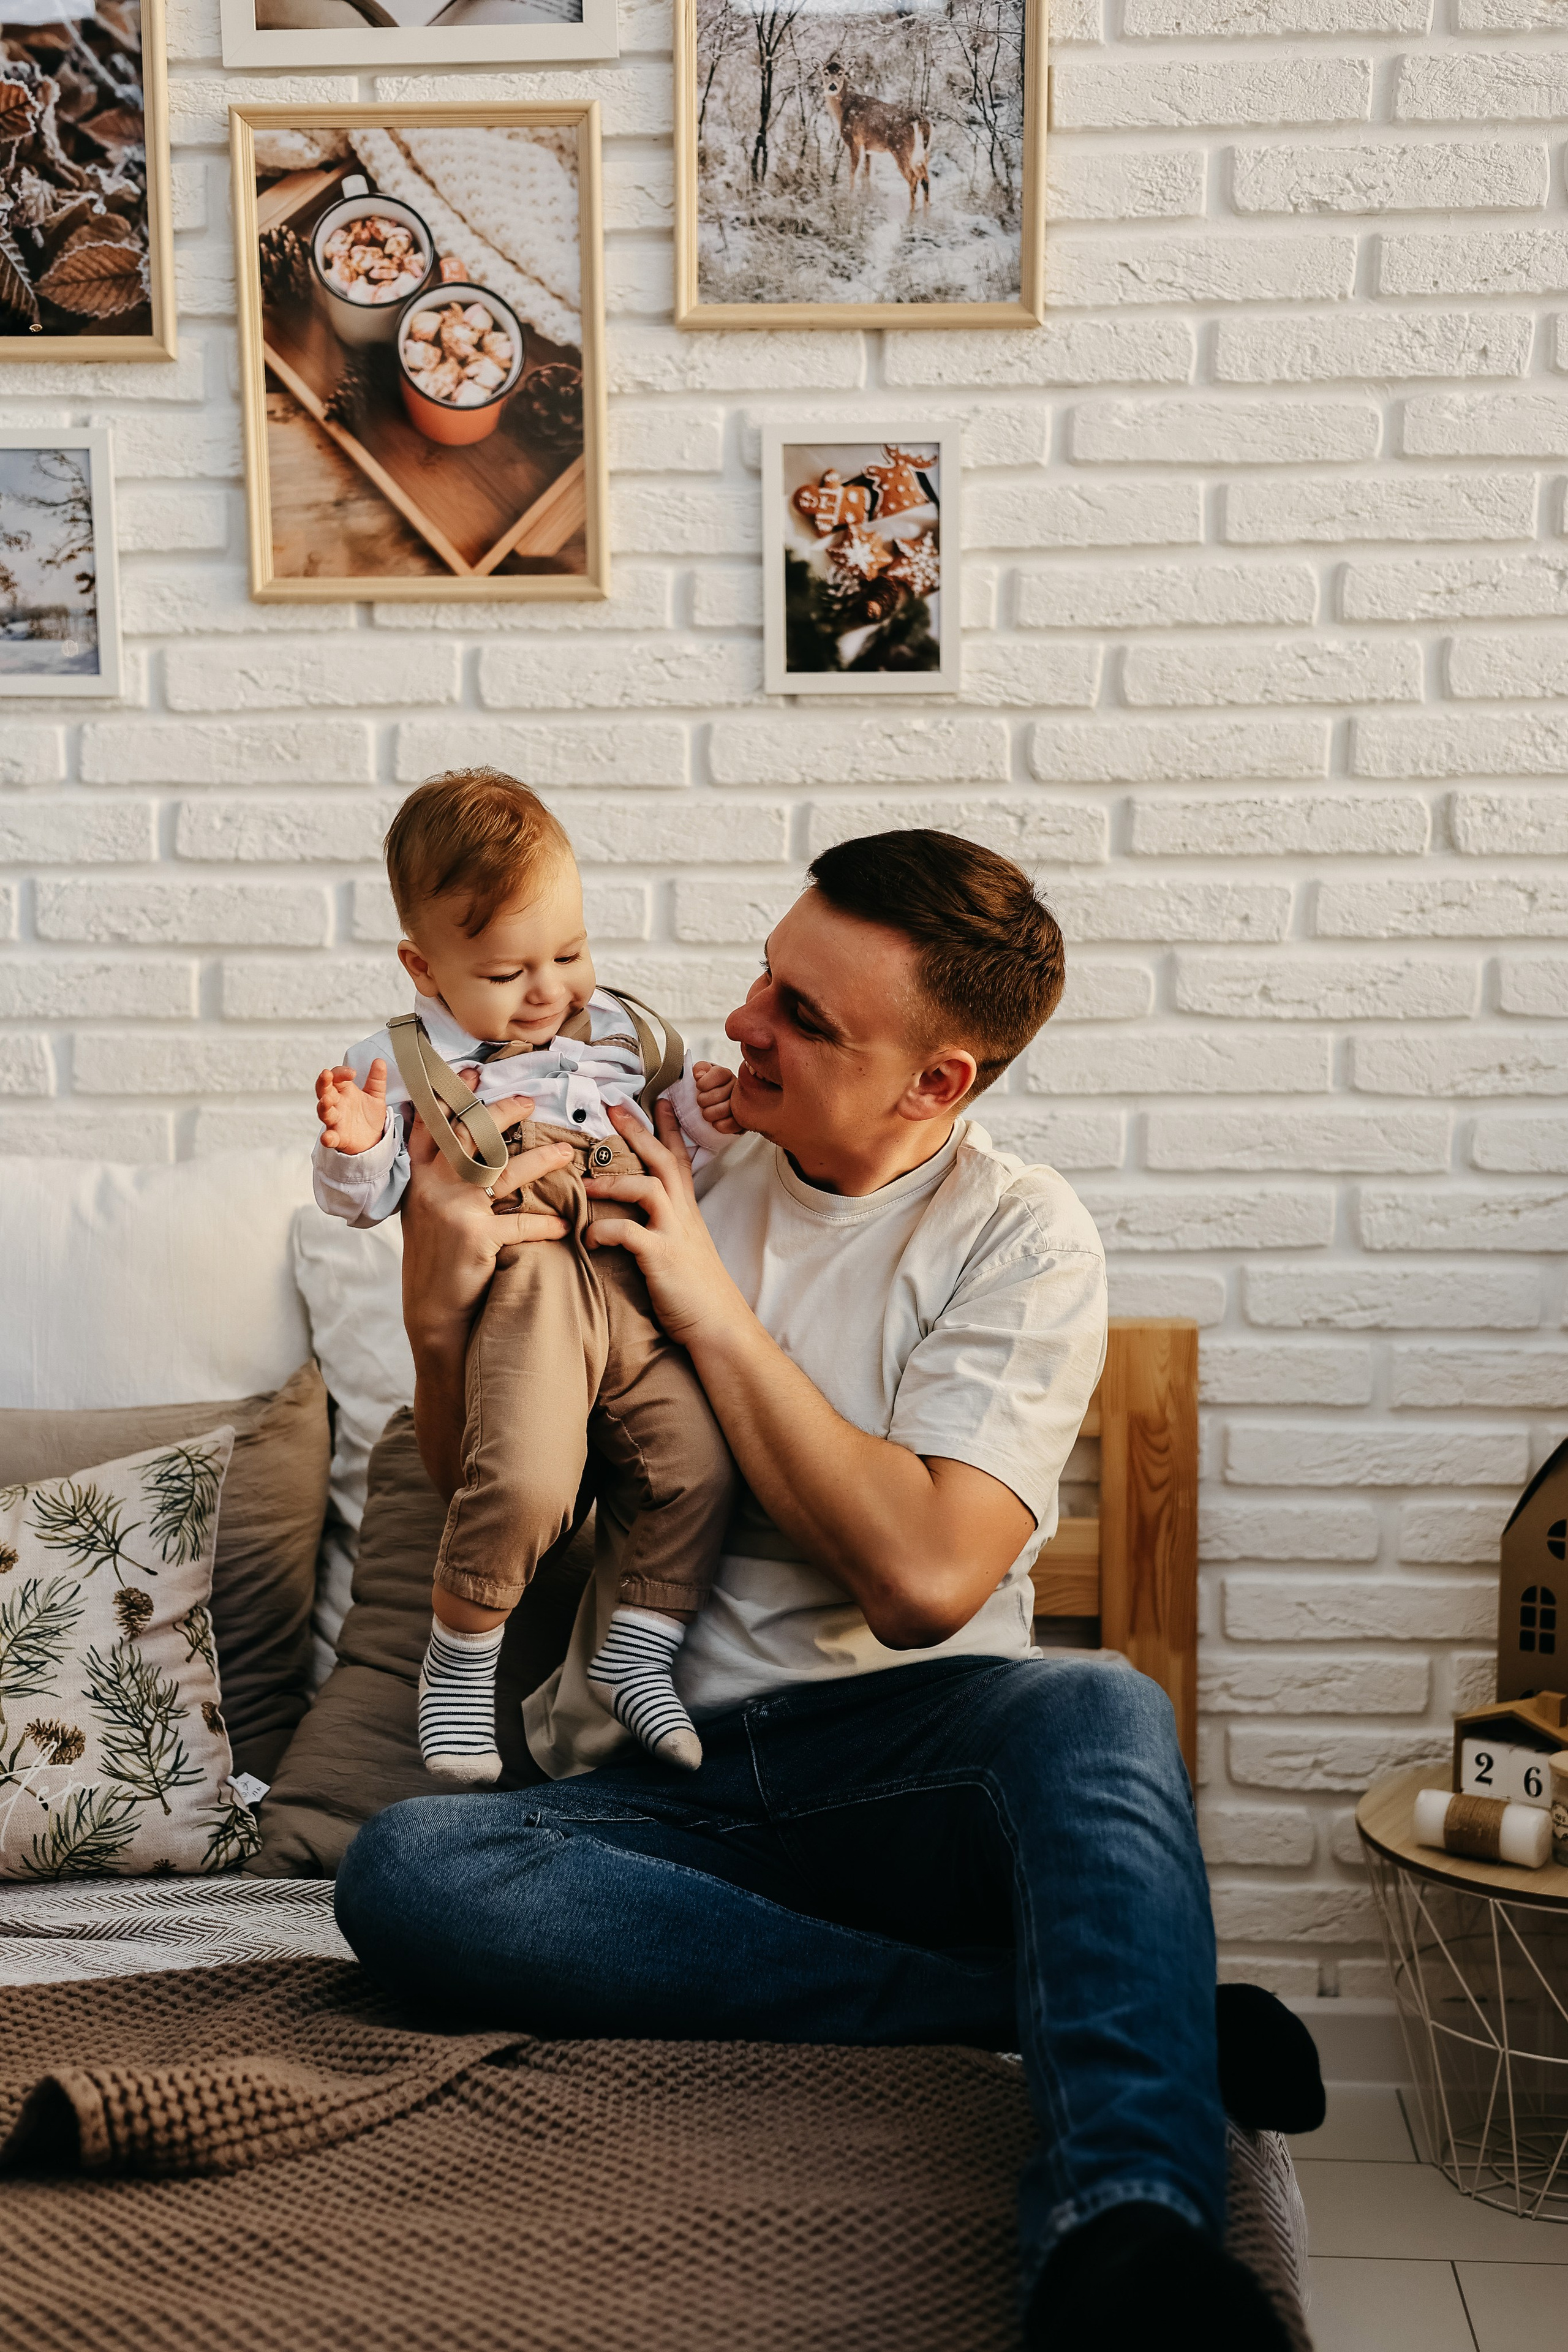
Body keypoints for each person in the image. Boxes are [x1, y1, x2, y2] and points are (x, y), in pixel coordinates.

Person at [335, 827, 1295, 2349]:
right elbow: (499, 1477)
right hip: (657, 1807)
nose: (740, 1023)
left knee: (1099, 1707)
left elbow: (925, 1578)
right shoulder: (669, 1152)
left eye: (803, 1015)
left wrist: (710, 1314)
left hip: (902, 1777)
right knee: (408, 1871)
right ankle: (1011, 2003)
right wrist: (434, 1298)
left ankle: (1124, 2237)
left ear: (935, 1083)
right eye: (767, 975)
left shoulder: (1015, 1237)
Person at [312, 769, 741, 1783]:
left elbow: (679, 1161)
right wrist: (358, 1144)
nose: (549, 990)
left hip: (637, 1277)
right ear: (426, 968)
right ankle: (460, 1659)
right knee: (528, 1481)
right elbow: (368, 1200)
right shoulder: (409, 1064)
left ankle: (640, 1648)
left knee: (697, 1465)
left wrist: (712, 1120)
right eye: (509, 973)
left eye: (571, 952)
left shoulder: (626, 1040)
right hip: (532, 1285)